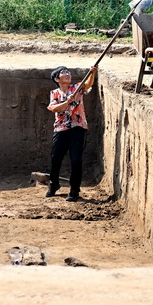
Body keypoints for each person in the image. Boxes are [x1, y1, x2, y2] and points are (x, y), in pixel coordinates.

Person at [46, 64, 97, 202]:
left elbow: (87, 84)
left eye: (68, 72)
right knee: (55, 158)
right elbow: (54, 108)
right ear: (57, 79)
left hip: (78, 127)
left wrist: (92, 73)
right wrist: (67, 102)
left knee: (76, 160)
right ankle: (54, 184)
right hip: (60, 129)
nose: (68, 74)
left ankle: (74, 190)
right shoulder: (54, 93)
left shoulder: (77, 88)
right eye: (64, 72)